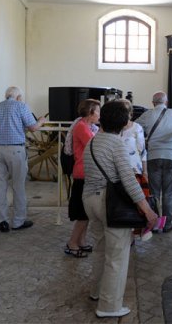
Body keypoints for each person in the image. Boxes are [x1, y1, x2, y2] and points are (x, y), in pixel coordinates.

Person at [82, 100, 159, 318]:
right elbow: (128, 180)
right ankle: (109, 306)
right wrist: (147, 209)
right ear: (125, 123)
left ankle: (96, 291)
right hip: (109, 203)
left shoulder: (93, 142)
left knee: (100, 249)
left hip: (90, 200)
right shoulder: (117, 144)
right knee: (117, 255)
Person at [0, 86, 46, 233]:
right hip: (15, 150)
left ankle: (2, 221)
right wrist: (41, 121)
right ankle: (18, 221)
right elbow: (33, 128)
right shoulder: (21, 106)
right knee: (18, 186)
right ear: (18, 97)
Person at [135, 91, 172, 233]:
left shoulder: (147, 115)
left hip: (153, 156)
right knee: (169, 192)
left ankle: (155, 223)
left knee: (154, 192)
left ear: (153, 103)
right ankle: (167, 224)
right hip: (171, 156)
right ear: (166, 102)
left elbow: (135, 127)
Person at [65, 99, 101, 258]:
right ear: (91, 112)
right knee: (83, 213)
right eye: (98, 111)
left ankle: (82, 240)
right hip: (82, 172)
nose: (99, 115)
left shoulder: (86, 126)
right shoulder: (81, 127)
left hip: (87, 172)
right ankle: (72, 242)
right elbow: (95, 144)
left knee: (86, 212)